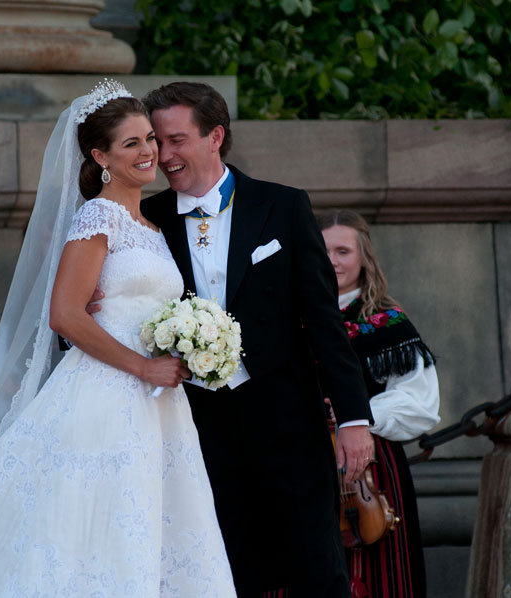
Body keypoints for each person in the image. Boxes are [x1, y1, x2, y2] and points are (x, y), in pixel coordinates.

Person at [0, 82, 236, 596]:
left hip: (158, 404)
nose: (149, 152)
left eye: (151, 139)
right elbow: (65, 315)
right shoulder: (98, 215)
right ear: (100, 156)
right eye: (132, 144)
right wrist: (145, 367)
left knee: (148, 521)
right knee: (88, 524)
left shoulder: (151, 224)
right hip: (107, 393)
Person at [137, 82, 375, 597]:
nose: (164, 155)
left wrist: (354, 418)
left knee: (317, 567)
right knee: (221, 570)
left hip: (288, 420)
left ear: (215, 136)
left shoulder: (283, 207)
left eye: (176, 140)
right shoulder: (146, 221)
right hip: (194, 428)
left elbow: (324, 322)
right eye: (157, 141)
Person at [318, 209, 439, 597]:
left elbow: (420, 402)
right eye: (323, 251)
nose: (333, 261)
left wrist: (359, 415)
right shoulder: (289, 316)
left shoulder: (387, 322)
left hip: (369, 468)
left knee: (376, 573)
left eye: (343, 251)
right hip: (303, 459)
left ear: (363, 258)